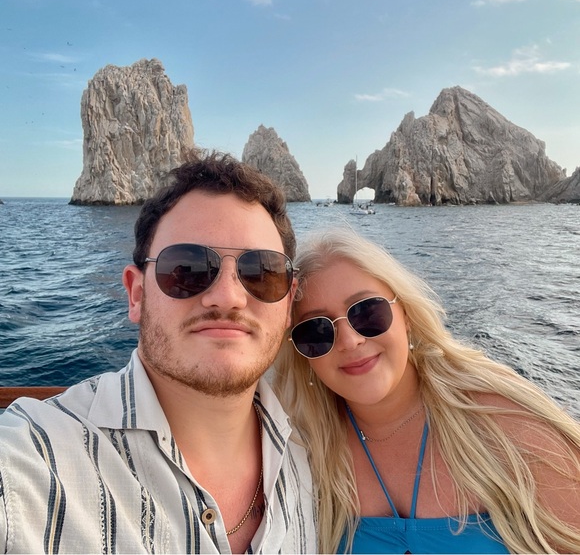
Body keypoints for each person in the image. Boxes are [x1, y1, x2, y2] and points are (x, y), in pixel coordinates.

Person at [0, 150, 316, 554]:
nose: (228, 297)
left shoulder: (315, 462)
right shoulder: (32, 459)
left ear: (288, 304)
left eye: (261, 272)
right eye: (188, 269)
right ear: (136, 294)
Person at [274, 227, 580, 554]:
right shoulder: (303, 451)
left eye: (366, 312)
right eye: (316, 330)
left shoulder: (504, 422)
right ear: (301, 353)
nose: (350, 341)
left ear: (405, 315)